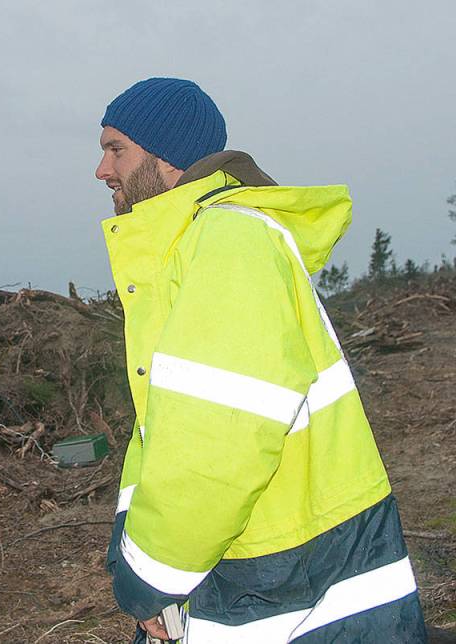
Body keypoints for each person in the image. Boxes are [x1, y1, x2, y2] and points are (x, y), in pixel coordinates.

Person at [95, 78, 426, 642]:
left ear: (167, 156)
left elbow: (218, 440)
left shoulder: (229, 243)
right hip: (251, 559)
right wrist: (135, 547)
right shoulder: (194, 248)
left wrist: (151, 578)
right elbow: (164, 429)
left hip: (283, 577)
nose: (102, 171)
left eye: (116, 149)